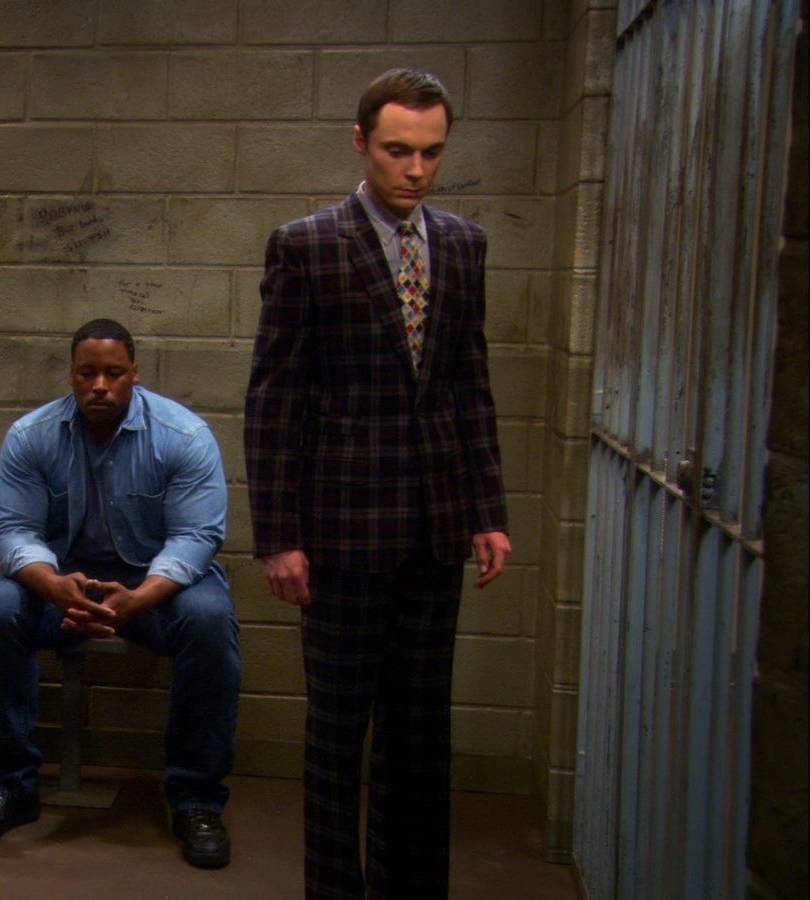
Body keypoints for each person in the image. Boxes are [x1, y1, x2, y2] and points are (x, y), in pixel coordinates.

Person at [244, 68, 512, 898]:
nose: (416, 169)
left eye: (432, 152)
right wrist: (279, 536)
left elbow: (469, 383)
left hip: (433, 529)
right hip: (341, 532)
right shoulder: (307, 244)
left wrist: (487, 510)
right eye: (399, 150)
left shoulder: (462, 245)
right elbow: (275, 398)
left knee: (420, 735)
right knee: (337, 733)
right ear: (361, 142)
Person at [0, 318, 242, 869]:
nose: (100, 386)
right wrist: (53, 587)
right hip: (62, 585)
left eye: (114, 373)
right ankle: (8, 787)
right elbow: (15, 530)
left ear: (135, 374)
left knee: (208, 617)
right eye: (87, 373)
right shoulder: (31, 436)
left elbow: (197, 537)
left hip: (153, 586)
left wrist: (138, 598)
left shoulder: (183, 436)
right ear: (71, 375)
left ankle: (196, 801)